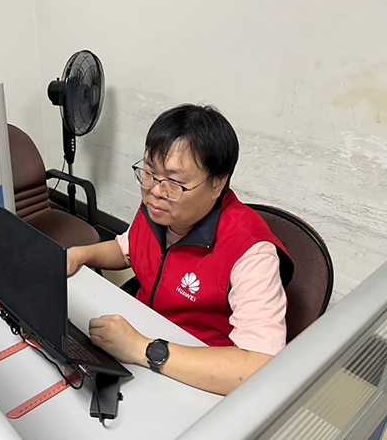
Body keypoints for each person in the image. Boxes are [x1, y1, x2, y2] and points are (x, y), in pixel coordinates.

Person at [67, 104, 293, 395]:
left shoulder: (251, 252)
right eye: (149, 172)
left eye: (174, 182)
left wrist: (142, 348)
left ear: (218, 182)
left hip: (198, 374)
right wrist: (80, 254)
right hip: (141, 336)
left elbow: (259, 366)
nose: (155, 191)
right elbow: (128, 248)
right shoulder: (159, 208)